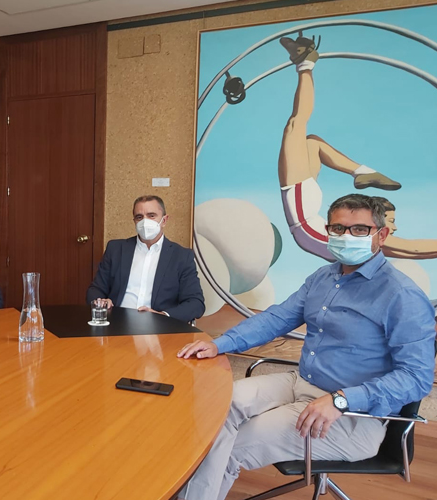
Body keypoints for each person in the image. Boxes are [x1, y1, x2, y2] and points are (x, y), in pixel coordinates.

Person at [175, 194, 436, 500]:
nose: (346, 236)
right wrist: (220, 344)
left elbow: (416, 378)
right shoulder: (323, 277)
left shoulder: (402, 295)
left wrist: (341, 400)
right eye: (338, 228)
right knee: (215, 406)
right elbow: (276, 318)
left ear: (382, 234)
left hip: (352, 415)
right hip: (302, 382)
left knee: (229, 447)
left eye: (359, 229)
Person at [276, 33, 401, 261]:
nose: (394, 227)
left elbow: (416, 249)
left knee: (296, 124)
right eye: (391, 221)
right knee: (311, 142)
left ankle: (304, 63)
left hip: (305, 220)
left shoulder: (371, 239)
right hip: (306, 213)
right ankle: (362, 172)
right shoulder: (367, 238)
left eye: (391, 222)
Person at [86, 195, 205, 323]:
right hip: (116, 323)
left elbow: (195, 303)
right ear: (134, 221)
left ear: (164, 220)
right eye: (139, 217)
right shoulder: (116, 249)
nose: (145, 221)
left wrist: (162, 316)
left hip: (160, 327)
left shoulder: (181, 256)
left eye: (151, 216)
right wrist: (101, 302)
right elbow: (95, 290)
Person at [370, 196, 437, 259]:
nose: (395, 228)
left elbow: (411, 254)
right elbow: (414, 248)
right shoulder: (372, 236)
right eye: (391, 221)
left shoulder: (373, 245)